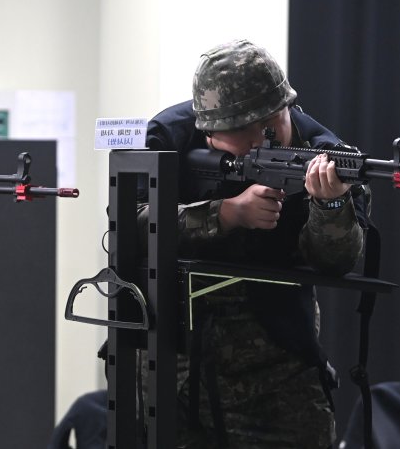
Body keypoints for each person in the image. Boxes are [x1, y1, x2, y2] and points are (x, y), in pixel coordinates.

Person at [136, 39, 370, 448]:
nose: (258, 144)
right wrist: (225, 214)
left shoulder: (326, 155)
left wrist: (329, 204)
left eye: (267, 127)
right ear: (206, 132)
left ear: (286, 107)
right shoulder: (167, 136)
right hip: (173, 360)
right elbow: (131, 224)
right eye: (239, 136)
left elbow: (338, 261)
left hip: (276, 366)